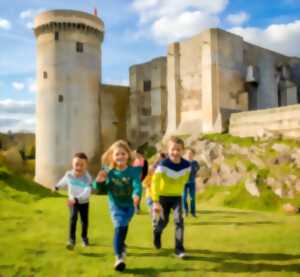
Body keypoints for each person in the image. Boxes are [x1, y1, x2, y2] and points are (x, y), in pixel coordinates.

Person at [93, 140, 142, 272]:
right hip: (115, 205)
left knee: (124, 227)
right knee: (119, 227)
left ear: (128, 155)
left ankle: (122, 245)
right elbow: (99, 188)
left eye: (123, 154)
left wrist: (136, 194)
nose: (120, 156)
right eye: (117, 154)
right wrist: (99, 182)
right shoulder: (108, 172)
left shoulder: (133, 171)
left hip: (129, 206)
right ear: (112, 157)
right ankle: (118, 257)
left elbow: (137, 184)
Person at [151, 137, 191, 258]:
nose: (175, 152)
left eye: (178, 149)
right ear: (168, 150)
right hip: (162, 197)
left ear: (182, 151)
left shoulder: (187, 165)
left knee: (179, 221)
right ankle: (156, 233)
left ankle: (179, 249)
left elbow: (185, 180)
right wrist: (155, 201)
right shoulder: (163, 164)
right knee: (164, 221)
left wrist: (178, 190)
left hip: (177, 197)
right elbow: (155, 183)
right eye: (173, 149)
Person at [53, 152, 92, 250]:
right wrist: (57, 186)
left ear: (86, 165)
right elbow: (63, 181)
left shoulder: (87, 178)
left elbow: (87, 191)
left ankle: (84, 238)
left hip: (84, 202)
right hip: (72, 201)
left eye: (82, 165)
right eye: (76, 164)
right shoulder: (69, 174)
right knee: (73, 218)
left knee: (84, 221)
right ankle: (71, 240)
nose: (79, 167)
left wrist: (77, 198)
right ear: (72, 164)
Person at [183, 148, 200, 217]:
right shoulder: (183, 162)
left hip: (192, 182)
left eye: (191, 153)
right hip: (184, 183)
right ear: (186, 154)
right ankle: (185, 211)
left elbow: (197, 169)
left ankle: (193, 212)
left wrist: (194, 173)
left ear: (193, 155)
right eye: (188, 153)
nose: (189, 155)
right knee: (184, 198)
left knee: (192, 198)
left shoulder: (195, 163)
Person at [132, 149, 148, 213]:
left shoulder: (142, 161)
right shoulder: (136, 161)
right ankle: (135, 208)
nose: (135, 154)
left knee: (138, 193)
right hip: (135, 179)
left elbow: (145, 172)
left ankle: (137, 208)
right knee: (137, 193)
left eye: (136, 153)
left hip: (139, 179)